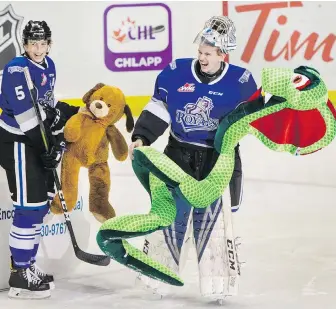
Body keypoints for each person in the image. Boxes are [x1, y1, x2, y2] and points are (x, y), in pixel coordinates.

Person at [128, 16, 260, 301]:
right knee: (169, 216)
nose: (202, 57)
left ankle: (218, 285)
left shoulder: (242, 81)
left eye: (208, 53)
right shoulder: (175, 73)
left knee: (211, 222)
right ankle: (156, 276)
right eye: (200, 51)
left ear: (223, 54)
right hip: (178, 154)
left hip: (217, 159)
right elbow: (159, 108)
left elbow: (254, 120)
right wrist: (142, 136)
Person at [0, 20, 79, 299]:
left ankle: (28, 265)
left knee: (39, 206)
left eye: (42, 43)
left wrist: (63, 117)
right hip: (19, 142)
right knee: (28, 205)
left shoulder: (49, 65)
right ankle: (19, 274)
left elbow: (45, 104)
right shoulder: (15, 70)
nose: (37, 48)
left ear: (49, 43)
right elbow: (26, 116)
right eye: (33, 43)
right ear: (24, 44)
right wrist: (45, 147)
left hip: (36, 141)